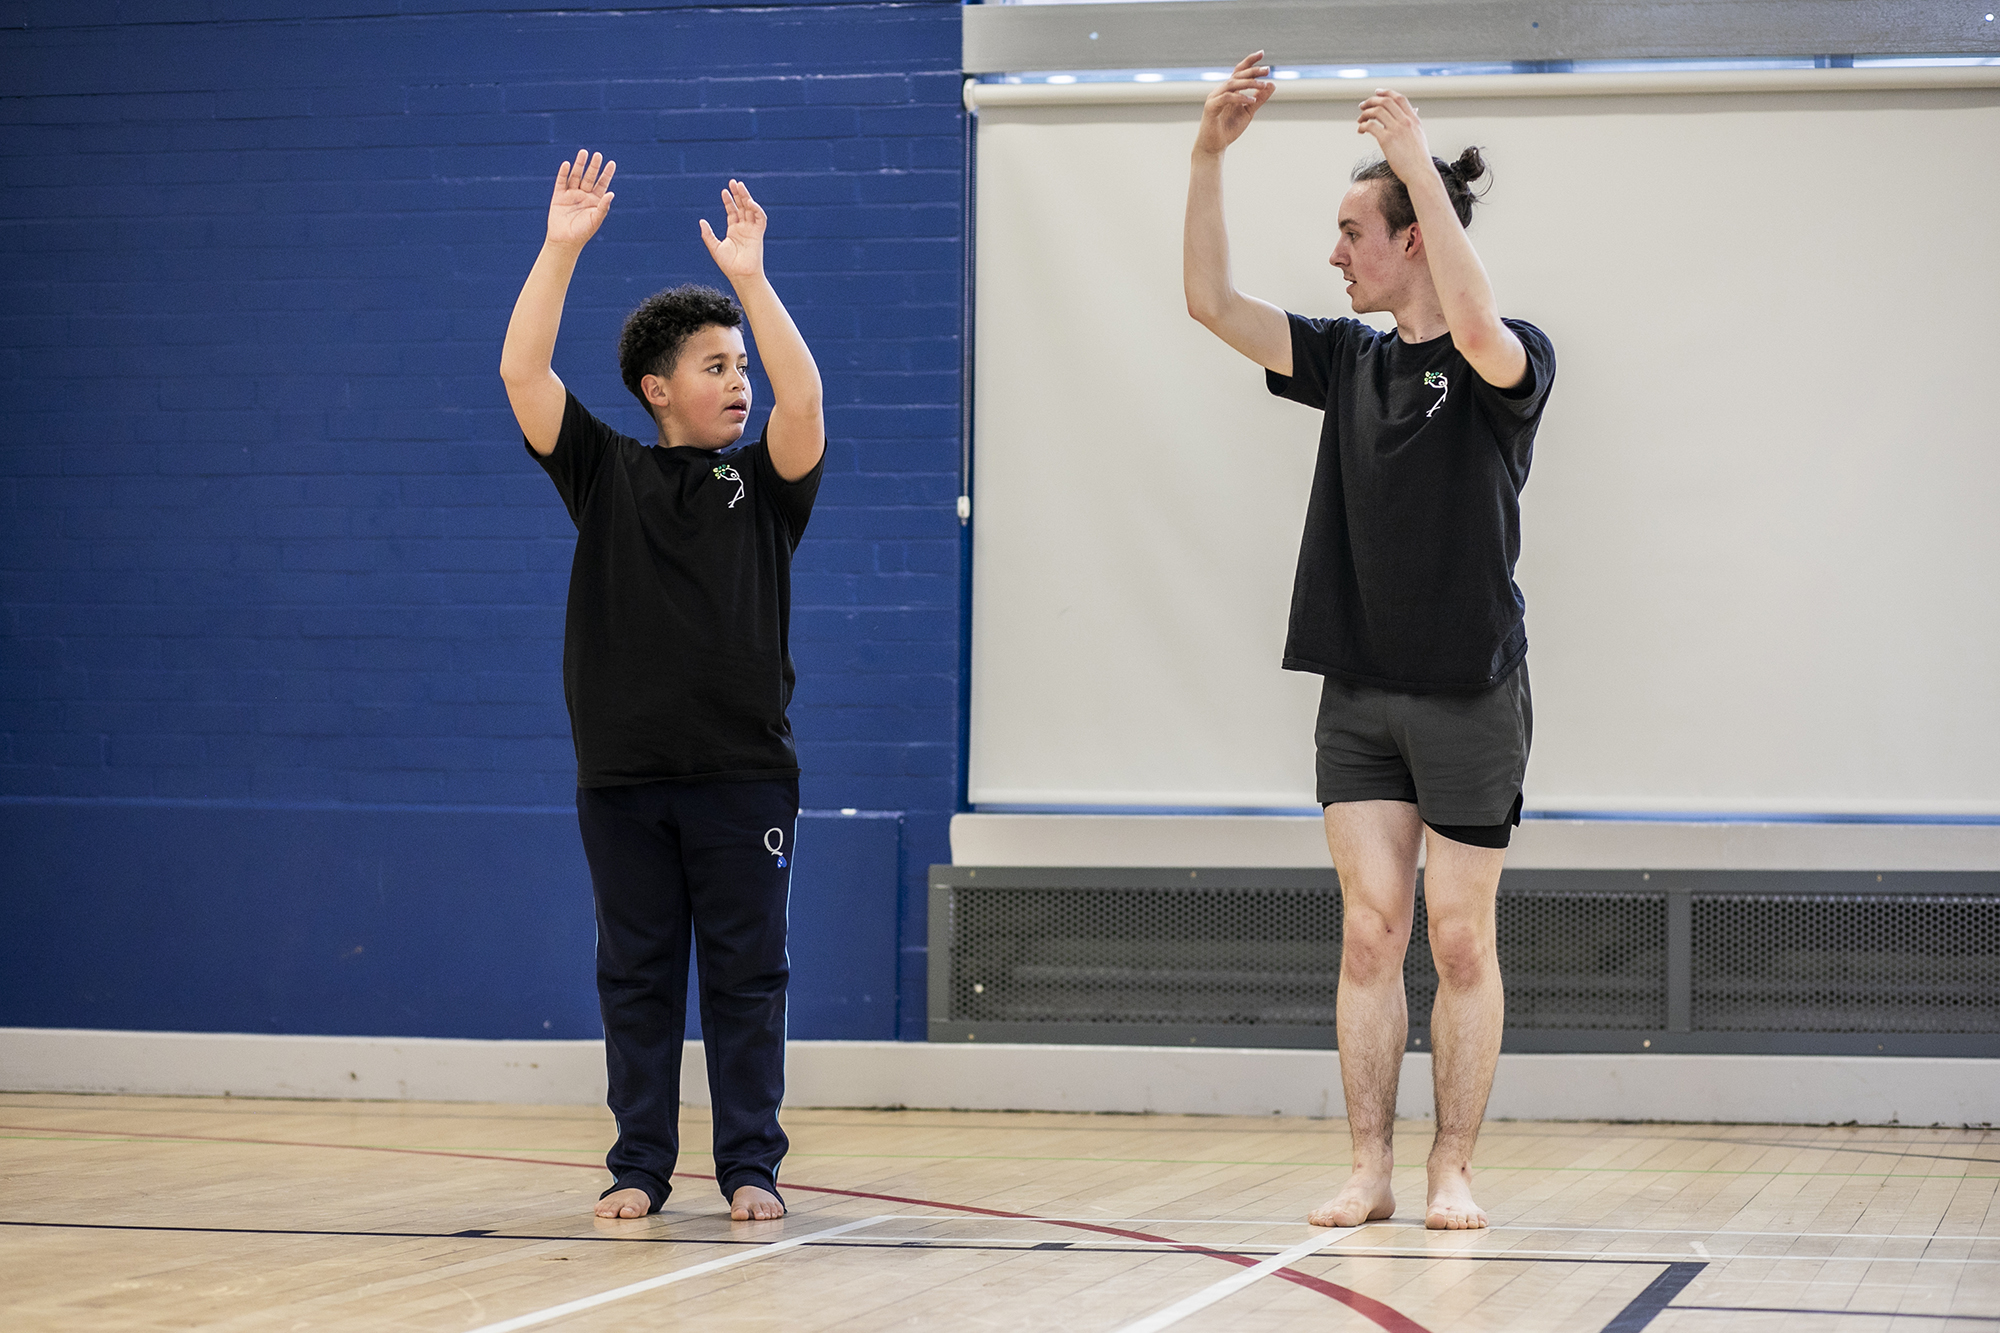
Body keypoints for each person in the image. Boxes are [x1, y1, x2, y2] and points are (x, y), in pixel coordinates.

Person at [1183, 55, 1556, 1231]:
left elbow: (1478, 318)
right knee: (1367, 930)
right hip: (1359, 692)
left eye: (1354, 231)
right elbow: (1209, 303)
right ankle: (1370, 1169)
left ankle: (1451, 1165)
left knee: (1453, 939)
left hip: (1467, 691)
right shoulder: (1346, 360)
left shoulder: (1508, 362)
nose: (1336, 253)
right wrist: (1205, 152)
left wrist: (1412, 161)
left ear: (1408, 239)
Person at [499, 150, 825, 1223]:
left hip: (743, 778)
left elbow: (806, 396)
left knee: (746, 982)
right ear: (656, 389)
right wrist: (559, 248)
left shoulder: (765, 485)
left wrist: (753, 282)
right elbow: (522, 375)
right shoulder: (604, 470)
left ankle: (749, 1167)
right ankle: (638, 1163)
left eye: (741, 363)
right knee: (635, 980)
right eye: (714, 364)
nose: (739, 379)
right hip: (623, 777)